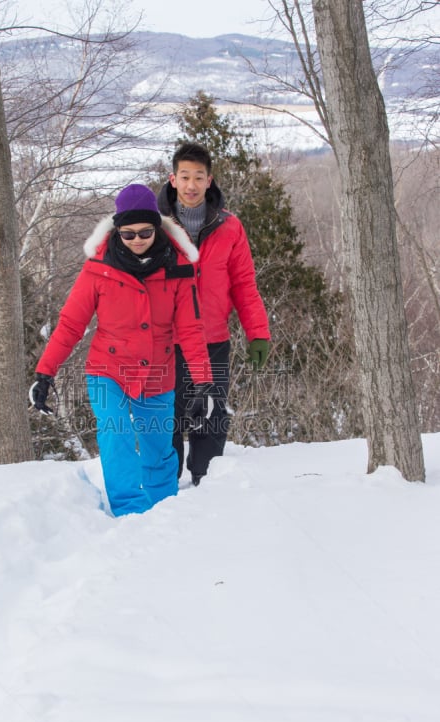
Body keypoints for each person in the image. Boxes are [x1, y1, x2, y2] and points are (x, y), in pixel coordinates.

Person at [29, 184, 213, 517]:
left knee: (158, 449)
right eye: (128, 234)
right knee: (117, 436)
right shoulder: (98, 268)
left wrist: (202, 383)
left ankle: (163, 511)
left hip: (158, 371)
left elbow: (190, 330)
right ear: (118, 231)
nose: (138, 239)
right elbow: (71, 324)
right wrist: (45, 372)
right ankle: (129, 512)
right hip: (107, 368)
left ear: (157, 227)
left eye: (145, 231)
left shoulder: (178, 268)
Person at [157, 142, 271, 485]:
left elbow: (244, 285)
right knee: (168, 414)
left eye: (199, 177)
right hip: (166, 340)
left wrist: (258, 333)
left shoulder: (230, 227)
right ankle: (165, 483)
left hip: (212, 338)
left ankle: (206, 483)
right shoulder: (153, 226)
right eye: (185, 176)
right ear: (173, 179)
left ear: (210, 180)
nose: (191, 185)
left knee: (211, 413)